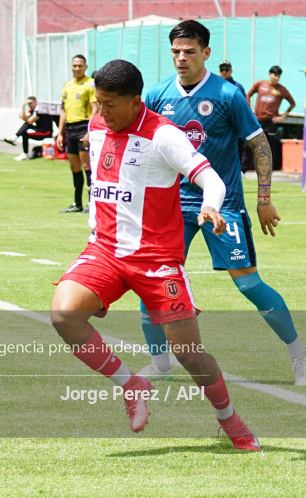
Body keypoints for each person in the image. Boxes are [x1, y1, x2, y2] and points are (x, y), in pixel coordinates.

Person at [51, 58, 260, 451]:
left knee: (190, 356)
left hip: (157, 260)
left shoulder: (164, 135)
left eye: (111, 104)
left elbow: (210, 178)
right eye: (99, 102)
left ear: (136, 101)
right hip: (105, 251)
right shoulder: (97, 124)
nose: (102, 112)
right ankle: (131, 385)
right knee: (64, 314)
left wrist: (211, 205)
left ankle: (230, 420)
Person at [141, 20, 306, 386]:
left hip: (223, 206)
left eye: (189, 51)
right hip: (172, 208)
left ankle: (299, 354)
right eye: (175, 52)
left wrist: (263, 198)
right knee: (152, 283)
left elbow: (260, 144)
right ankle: (159, 365)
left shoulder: (228, 95)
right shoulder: (157, 96)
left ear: (206, 53)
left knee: (249, 285)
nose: (181, 58)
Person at [56, 54, 97, 213]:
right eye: (74, 66)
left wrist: (89, 130)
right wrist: (60, 133)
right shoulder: (67, 85)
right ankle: (77, 203)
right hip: (70, 129)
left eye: (80, 65)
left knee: (87, 166)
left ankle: (91, 202)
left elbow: (95, 108)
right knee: (74, 167)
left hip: (83, 127)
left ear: (85, 67)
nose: (77, 68)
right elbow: (64, 110)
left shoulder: (91, 84)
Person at [246, 65, 295, 170]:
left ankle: (269, 169)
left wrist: (282, 117)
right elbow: (248, 94)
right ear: (270, 74)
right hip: (257, 120)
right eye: (274, 75)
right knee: (250, 143)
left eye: (278, 76)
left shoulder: (281, 89)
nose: (276, 77)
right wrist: (249, 110)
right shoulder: (260, 84)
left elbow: (292, 103)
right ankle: (243, 168)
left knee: (270, 146)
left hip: (271, 122)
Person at [218, 60, 254, 171]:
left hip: (232, 124)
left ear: (231, 71)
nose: (224, 72)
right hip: (217, 123)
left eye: (227, 69)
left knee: (234, 148)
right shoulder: (214, 84)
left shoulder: (237, 87)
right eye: (222, 70)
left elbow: (242, 106)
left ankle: (235, 170)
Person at [3, 96, 54, 160]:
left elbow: (29, 121)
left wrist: (23, 117)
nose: (30, 105)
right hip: (39, 129)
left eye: (31, 103)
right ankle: (24, 151)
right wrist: (23, 106)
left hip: (46, 132)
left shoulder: (40, 110)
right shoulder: (33, 110)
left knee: (27, 124)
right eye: (28, 104)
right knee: (25, 131)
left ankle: (15, 137)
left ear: (35, 102)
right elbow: (23, 117)